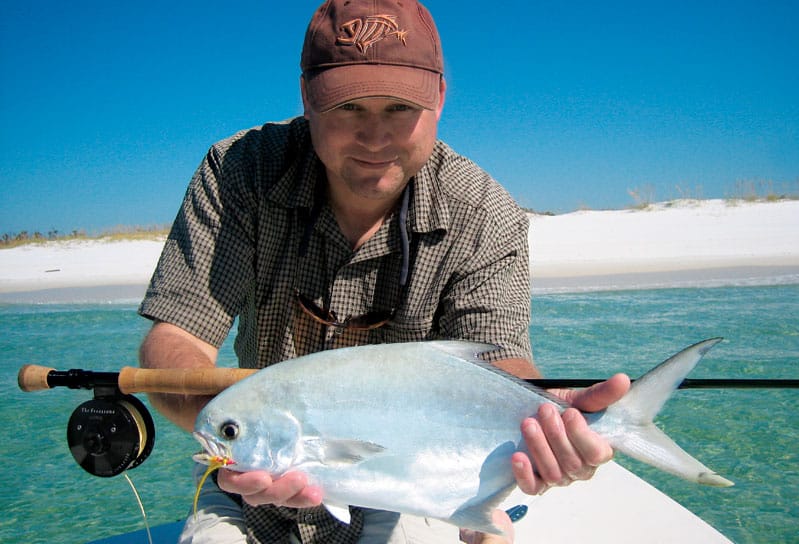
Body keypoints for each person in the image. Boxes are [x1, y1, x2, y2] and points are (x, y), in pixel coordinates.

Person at [138, 1, 630, 543]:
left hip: (414, 477)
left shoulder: (484, 212)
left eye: (399, 107)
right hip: (245, 478)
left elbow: (497, 358)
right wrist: (244, 443)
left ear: (440, 96)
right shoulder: (240, 174)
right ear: (307, 97)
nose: (374, 137)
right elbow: (175, 337)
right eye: (349, 107)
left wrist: (549, 414)